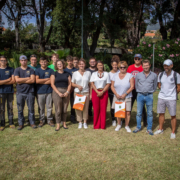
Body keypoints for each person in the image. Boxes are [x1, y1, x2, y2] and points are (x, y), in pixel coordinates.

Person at [154, 59, 180, 139]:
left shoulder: (176, 75)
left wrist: (173, 94)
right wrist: (162, 89)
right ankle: (160, 129)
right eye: (165, 65)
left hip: (171, 98)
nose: (166, 67)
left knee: (173, 115)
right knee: (161, 114)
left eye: (168, 65)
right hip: (161, 97)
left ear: (171, 65)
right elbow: (159, 84)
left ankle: (173, 132)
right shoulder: (161, 74)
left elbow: (178, 87)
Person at [133, 60, 157, 135]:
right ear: (142, 66)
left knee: (149, 113)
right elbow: (136, 85)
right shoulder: (138, 75)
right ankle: (138, 127)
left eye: (147, 65)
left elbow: (155, 86)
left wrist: (150, 91)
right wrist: (140, 91)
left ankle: (149, 129)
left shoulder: (154, 75)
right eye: (144, 65)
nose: (146, 67)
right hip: (140, 95)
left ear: (150, 65)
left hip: (149, 95)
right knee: (139, 113)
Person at [14, 55, 37, 130]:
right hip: (20, 92)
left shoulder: (31, 70)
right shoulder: (17, 70)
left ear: (27, 61)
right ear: (20, 61)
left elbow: (33, 80)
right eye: (22, 60)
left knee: (31, 109)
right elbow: (17, 80)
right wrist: (27, 78)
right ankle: (21, 124)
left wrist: (21, 80)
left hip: (30, 92)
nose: (23, 62)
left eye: (25, 60)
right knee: (20, 109)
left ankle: (32, 123)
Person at [111, 61, 134, 132]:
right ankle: (119, 124)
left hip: (127, 96)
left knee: (127, 112)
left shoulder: (130, 75)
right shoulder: (115, 76)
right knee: (118, 111)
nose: (122, 68)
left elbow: (132, 86)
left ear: (126, 67)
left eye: (124, 67)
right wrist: (116, 94)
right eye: (121, 67)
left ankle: (127, 125)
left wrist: (125, 94)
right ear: (119, 67)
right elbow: (112, 86)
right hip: (117, 96)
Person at [51, 59, 71, 131]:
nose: (60, 65)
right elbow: (52, 84)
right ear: (56, 65)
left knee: (65, 109)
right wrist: (58, 93)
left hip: (66, 91)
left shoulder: (67, 74)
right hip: (57, 92)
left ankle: (64, 123)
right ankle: (58, 124)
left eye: (61, 64)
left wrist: (67, 92)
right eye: (58, 64)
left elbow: (69, 84)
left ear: (63, 65)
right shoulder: (54, 73)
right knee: (58, 110)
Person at [127, 54, 147, 126]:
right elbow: (127, 77)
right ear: (134, 59)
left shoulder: (143, 67)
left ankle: (145, 120)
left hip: (140, 90)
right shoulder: (130, 67)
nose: (137, 60)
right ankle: (126, 120)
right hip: (131, 89)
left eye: (139, 59)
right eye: (136, 58)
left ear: (141, 59)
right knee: (129, 105)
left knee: (142, 105)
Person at [90, 60, 111, 129]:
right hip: (95, 92)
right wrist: (97, 91)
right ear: (97, 66)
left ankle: (102, 125)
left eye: (101, 65)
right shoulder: (94, 74)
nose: (100, 66)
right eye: (98, 65)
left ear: (103, 66)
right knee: (96, 109)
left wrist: (102, 92)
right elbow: (92, 83)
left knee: (103, 109)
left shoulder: (107, 74)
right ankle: (96, 125)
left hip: (104, 92)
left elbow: (108, 84)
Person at [72, 58, 91, 129]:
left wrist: (91, 94)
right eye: (80, 64)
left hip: (86, 92)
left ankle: (85, 122)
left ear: (85, 64)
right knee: (78, 108)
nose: (81, 65)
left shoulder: (88, 73)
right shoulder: (75, 73)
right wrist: (77, 86)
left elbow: (90, 84)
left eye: (82, 64)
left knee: (86, 108)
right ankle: (80, 122)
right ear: (78, 65)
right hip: (78, 93)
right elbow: (72, 83)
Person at [35, 57, 54, 128]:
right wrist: (46, 79)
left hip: (49, 91)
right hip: (40, 92)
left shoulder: (51, 70)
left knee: (49, 107)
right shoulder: (37, 70)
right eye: (42, 62)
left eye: (45, 62)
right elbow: (37, 81)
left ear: (47, 62)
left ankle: (50, 120)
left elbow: (51, 81)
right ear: (39, 62)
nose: (43, 63)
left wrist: (41, 80)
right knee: (41, 107)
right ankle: (41, 120)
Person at [0, 56, 15, 131]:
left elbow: (13, 81)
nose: (3, 62)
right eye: (2, 60)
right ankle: (2, 123)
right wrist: (8, 80)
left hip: (10, 92)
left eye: (4, 60)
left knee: (10, 108)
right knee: (1, 109)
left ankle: (11, 122)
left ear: (6, 61)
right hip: (1, 93)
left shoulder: (11, 69)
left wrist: (3, 82)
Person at [64, 55, 78, 123]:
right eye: (68, 61)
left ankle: (73, 118)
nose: (70, 62)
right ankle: (63, 118)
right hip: (66, 90)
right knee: (64, 105)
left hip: (74, 90)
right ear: (67, 62)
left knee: (73, 105)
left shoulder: (76, 70)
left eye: (71, 61)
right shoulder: (64, 70)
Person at [27, 54, 40, 124]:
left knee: (40, 105)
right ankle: (30, 119)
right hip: (30, 88)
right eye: (32, 60)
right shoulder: (28, 67)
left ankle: (41, 118)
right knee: (30, 105)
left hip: (39, 88)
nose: (34, 61)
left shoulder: (39, 66)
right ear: (30, 60)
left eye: (35, 60)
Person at [109, 59, 120, 126]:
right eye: (113, 65)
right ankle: (113, 119)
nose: (115, 66)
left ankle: (120, 119)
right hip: (111, 91)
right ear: (112, 65)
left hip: (119, 91)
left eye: (116, 65)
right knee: (112, 106)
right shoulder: (109, 73)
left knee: (119, 105)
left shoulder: (120, 72)